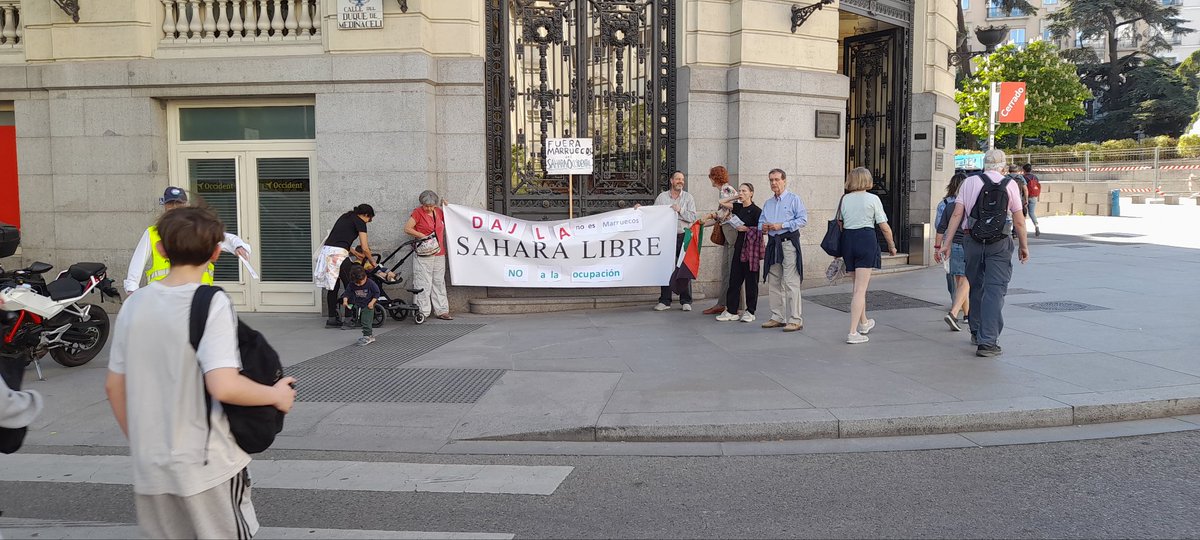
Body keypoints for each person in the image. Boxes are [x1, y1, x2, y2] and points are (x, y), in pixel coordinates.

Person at [106, 206, 296, 539]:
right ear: (215, 253)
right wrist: (277, 395)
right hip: (206, 463)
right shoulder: (211, 301)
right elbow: (223, 385)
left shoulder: (135, 304)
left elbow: (114, 387)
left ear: (161, 249)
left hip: (152, 466)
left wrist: (143, 445)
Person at [938, 149, 1031, 357]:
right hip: (999, 242)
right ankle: (988, 341)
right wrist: (1024, 246)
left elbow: (957, 214)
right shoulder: (1010, 185)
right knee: (995, 289)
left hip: (972, 240)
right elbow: (1019, 220)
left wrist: (947, 242)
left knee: (976, 285)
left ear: (984, 165)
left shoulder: (969, 183)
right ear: (1003, 167)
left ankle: (976, 331)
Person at [124, 186, 251, 295]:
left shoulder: (197, 228)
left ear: (186, 205)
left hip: (198, 294)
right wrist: (132, 288)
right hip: (164, 296)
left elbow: (226, 238)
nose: (174, 207)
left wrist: (239, 246)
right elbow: (137, 262)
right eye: (170, 203)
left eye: (178, 203)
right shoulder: (153, 233)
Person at [838, 168, 897, 344]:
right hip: (865, 239)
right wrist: (891, 245)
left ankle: (864, 322)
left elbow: (840, 223)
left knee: (857, 286)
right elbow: (884, 226)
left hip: (848, 241)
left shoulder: (845, 199)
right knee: (860, 289)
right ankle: (852, 332)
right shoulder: (873, 199)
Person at [758, 168, 808, 332]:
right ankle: (777, 316)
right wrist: (763, 227)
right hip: (773, 242)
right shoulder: (768, 203)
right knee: (774, 280)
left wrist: (782, 225)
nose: (774, 183)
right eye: (771, 180)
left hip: (788, 242)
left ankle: (795, 319)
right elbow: (760, 222)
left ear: (784, 181)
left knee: (791, 280)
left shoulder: (794, 199)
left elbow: (802, 219)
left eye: (777, 179)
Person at [314, 204, 375, 328]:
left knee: (333, 286)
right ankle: (349, 319)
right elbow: (365, 247)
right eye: (369, 220)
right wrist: (372, 261)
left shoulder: (345, 217)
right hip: (338, 255)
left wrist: (355, 253)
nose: (368, 222)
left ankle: (332, 319)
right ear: (366, 215)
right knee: (351, 285)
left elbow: (339, 239)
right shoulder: (360, 222)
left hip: (326, 253)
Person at [646, 171, 698, 311]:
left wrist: (680, 210)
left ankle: (686, 300)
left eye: (682, 179)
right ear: (671, 181)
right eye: (677, 179)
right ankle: (665, 300)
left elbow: (693, 217)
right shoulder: (662, 198)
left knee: (684, 268)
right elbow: (654, 215)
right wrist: (640, 210)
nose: (680, 181)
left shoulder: (688, 198)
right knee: (666, 268)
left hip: (683, 235)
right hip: (667, 237)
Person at [715, 182, 763, 323]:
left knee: (751, 281)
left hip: (751, 248)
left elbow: (762, 230)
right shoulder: (738, 207)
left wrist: (747, 229)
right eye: (740, 190)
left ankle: (750, 311)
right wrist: (735, 196)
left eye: (744, 191)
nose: (741, 193)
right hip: (739, 246)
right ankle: (732, 310)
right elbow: (721, 201)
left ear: (751, 193)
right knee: (734, 279)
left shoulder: (757, 211)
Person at [404, 190, 452, 322]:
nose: (429, 208)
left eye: (431, 206)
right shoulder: (418, 213)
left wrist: (448, 207)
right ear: (422, 204)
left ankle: (442, 310)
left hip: (439, 251)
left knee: (438, 281)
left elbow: (452, 219)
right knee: (423, 281)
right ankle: (422, 311)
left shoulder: (439, 212)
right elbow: (407, 228)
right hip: (424, 252)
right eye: (426, 206)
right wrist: (422, 236)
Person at [701, 166, 741, 316]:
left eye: (711, 177)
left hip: (731, 232)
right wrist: (702, 224)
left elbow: (723, 213)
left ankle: (730, 305)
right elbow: (722, 216)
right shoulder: (726, 189)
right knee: (727, 270)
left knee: (731, 270)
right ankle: (724, 303)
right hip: (728, 231)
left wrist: (708, 216)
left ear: (714, 177)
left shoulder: (726, 190)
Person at [934, 173, 970, 331]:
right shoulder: (972, 206)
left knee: (959, 282)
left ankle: (967, 314)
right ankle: (957, 313)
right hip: (969, 245)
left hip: (953, 245)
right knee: (967, 280)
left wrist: (937, 248)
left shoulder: (948, 206)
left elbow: (940, 228)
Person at [341, 265, 381, 346]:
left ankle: (367, 335)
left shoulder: (370, 283)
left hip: (368, 305)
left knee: (366, 321)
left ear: (365, 277)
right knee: (361, 320)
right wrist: (345, 301)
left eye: (361, 282)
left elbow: (377, 293)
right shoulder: (352, 284)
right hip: (358, 304)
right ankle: (369, 335)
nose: (358, 285)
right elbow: (347, 293)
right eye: (357, 283)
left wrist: (372, 302)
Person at [1022, 163, 1042, 237]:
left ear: (1024, 170)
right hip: (1033, 196)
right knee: (1032, 213)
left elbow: (1023, 188)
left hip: (1024, 198)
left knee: (1022, 213)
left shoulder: (1023, 177)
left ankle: (1022, 229)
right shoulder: (1035, 177)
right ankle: (1036, 225)